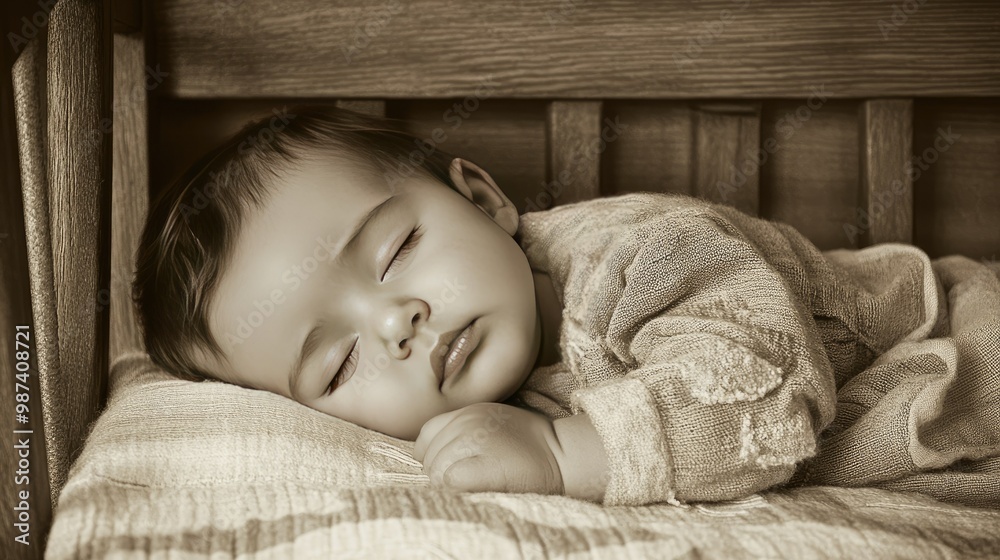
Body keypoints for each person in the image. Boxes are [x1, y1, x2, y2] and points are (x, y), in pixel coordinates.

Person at [133, 105, 938, 507]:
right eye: (340, 365)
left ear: (482, 200)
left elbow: (764, 395)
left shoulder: (654, 253)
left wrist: (565, 453)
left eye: (395, 253)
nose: (395, 322)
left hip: (952, 345)